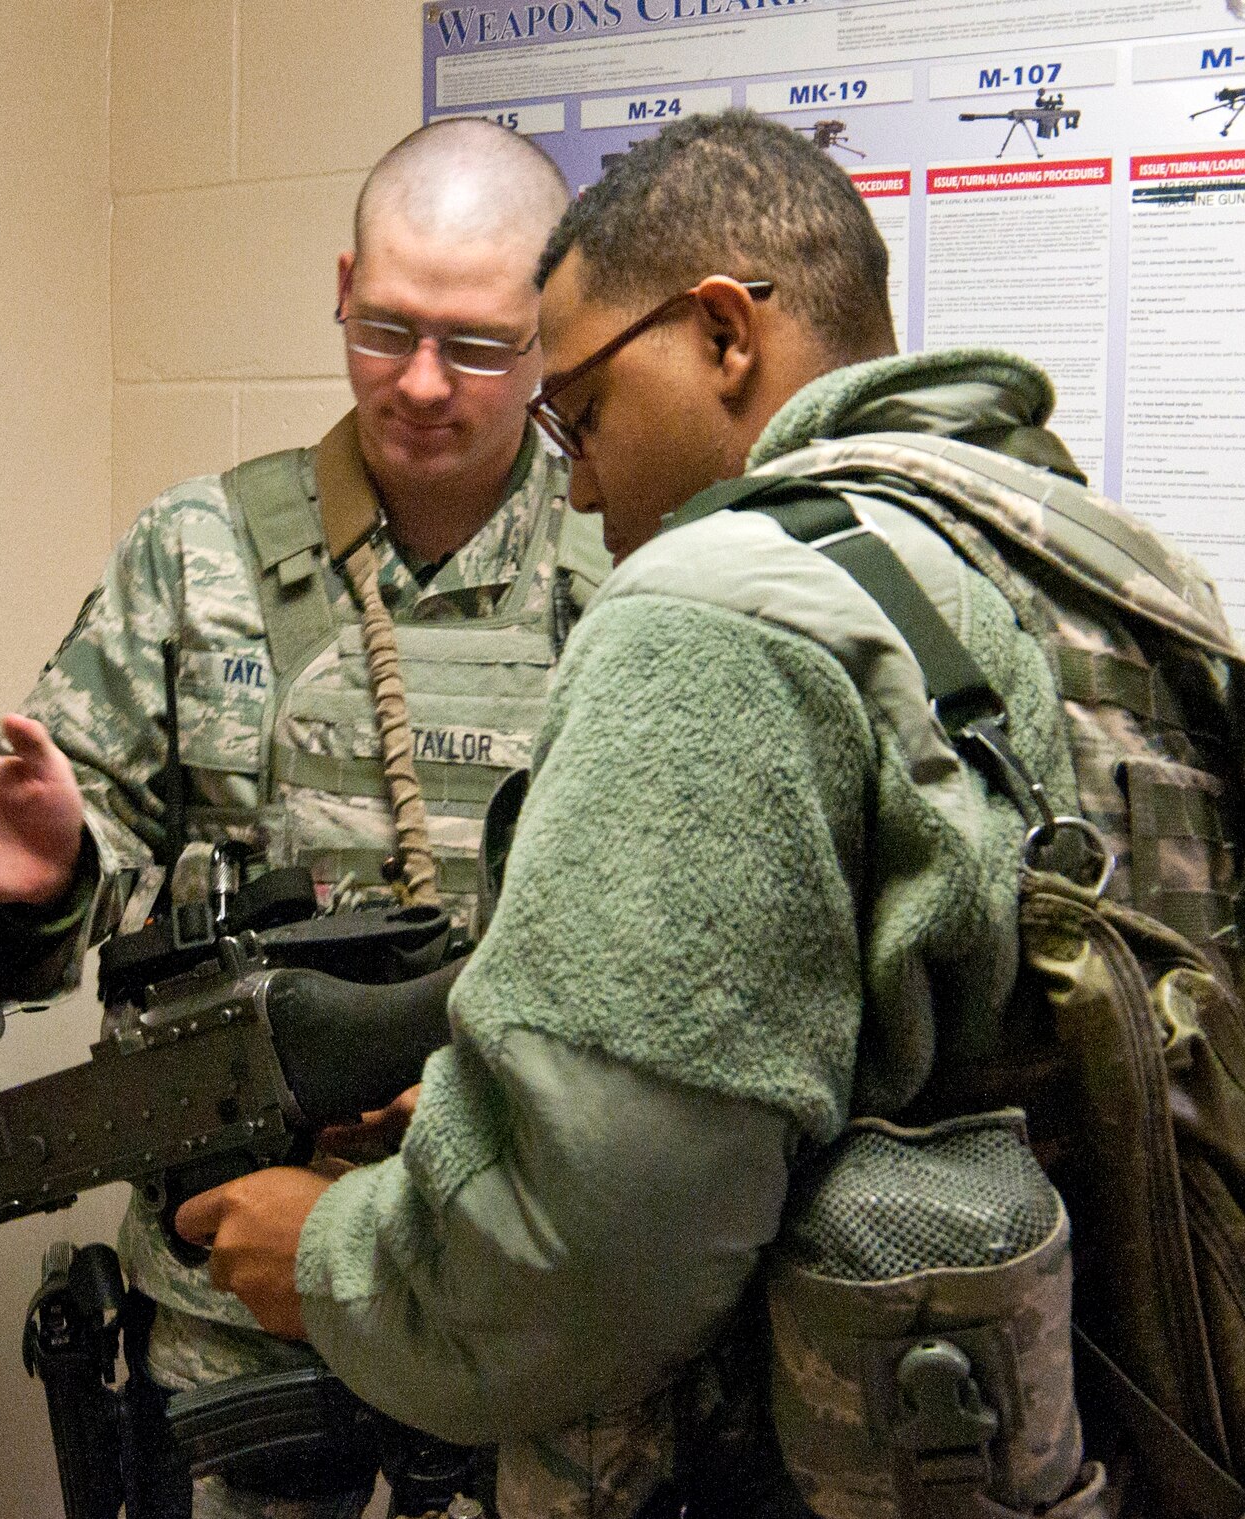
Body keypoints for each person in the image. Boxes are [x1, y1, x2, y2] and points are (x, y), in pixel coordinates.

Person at [175, 110, 1112, 1518]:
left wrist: (331, 1255)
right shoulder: (1077, 559)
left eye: (585, 410)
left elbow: (594, 1255)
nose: (583, 474)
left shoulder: (713, 608)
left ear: (725, 335)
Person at [0, 118, 604, 1518]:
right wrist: (49, 879)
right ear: (339, 287)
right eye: (385, 328)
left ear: (556, 327)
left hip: (525, 1279)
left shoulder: (634, 565)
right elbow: (48, 933)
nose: (422, 384)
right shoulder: (195, 555)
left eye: (480, 345)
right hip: (230, 1284)